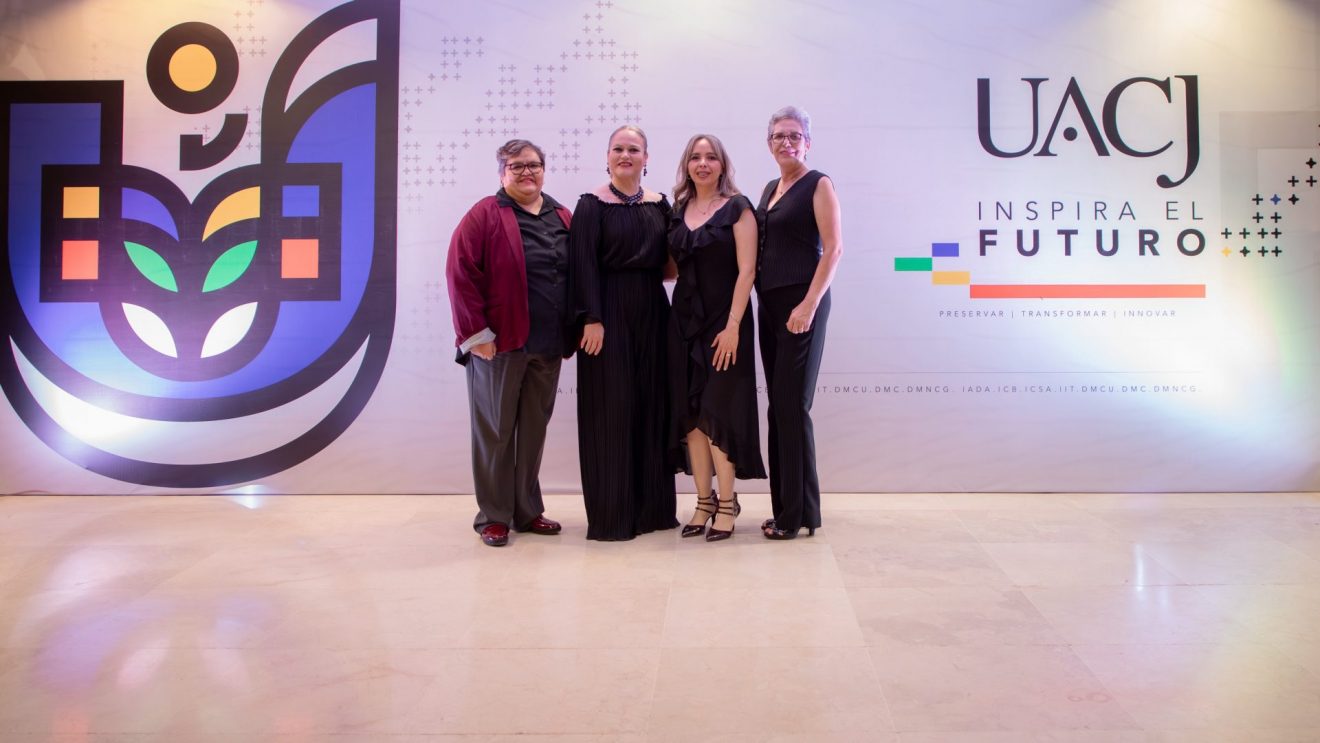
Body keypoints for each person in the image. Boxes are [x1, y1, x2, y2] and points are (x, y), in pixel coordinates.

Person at [446, 139, 574, 547]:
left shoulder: (562, 215)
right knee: (496, 433)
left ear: (544, 170)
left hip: (548, 345)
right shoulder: (484, 214)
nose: (526, 172)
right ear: (502, 173)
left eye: (533, 165)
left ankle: (527, 510)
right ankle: (494, 516)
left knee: (533, 432)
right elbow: (460, 274)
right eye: (516, 166)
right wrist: (477, 336)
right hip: (498, 346)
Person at [569, 124, 678, 541]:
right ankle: (613, 516)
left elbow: (671, 261)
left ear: (646, 158)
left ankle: (653, 512)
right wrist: (590, 318)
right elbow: (582, 265)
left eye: (634, 149)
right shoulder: (591, 205)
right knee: (610, 411)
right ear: (607, 156)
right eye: (618, 148)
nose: (625, 155)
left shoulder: (660, 204)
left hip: (653, 310)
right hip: (606, 313)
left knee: (652, 406)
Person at [667, 134, 766, 541]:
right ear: (687, 165)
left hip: (725, 325)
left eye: (711, 157)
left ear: (722, 165)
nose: (703, 163)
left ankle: (727, 503)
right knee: (692, 416)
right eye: (696, 157)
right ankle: (704, 501)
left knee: (718, 413)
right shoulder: (678, 211)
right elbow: (671, 268)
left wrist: (733, 326)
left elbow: (748, 271)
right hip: (683, 323)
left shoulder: (739, 208)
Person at [755, 106, 843, 540]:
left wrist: (809, 304)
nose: (786, 142)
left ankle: (794, 516)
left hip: (801, 306)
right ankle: (794, 509)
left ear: (807, 142)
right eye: (778, 136)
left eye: (794, 136)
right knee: (779, 408)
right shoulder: (770, 188)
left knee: (792, 407)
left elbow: (834, 248)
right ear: (768, 143)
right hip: (769, 307)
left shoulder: (818, 183)